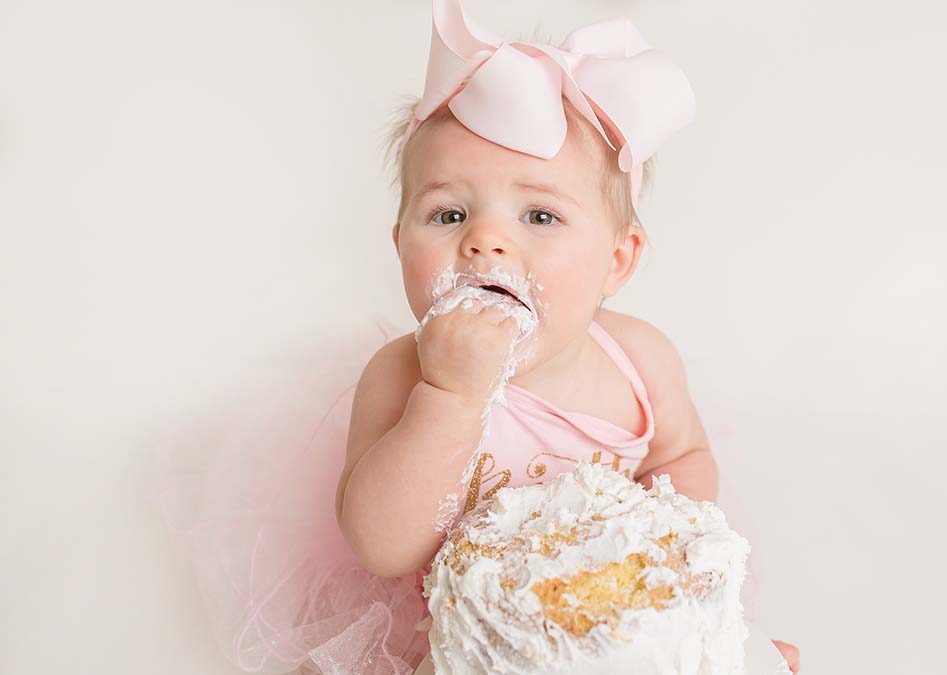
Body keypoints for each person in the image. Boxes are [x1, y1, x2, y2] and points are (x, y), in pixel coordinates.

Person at [159, 1, 800, 672]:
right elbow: (382, 545)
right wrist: (451, 394)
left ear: (619, 258)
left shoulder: (639, 363)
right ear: (399, 241)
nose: (486, 239)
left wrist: (665, 561)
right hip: (456, 638)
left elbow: (683, 453)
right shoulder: (402, 375)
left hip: (601, 620)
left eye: (541, 214)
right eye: (449, 212)